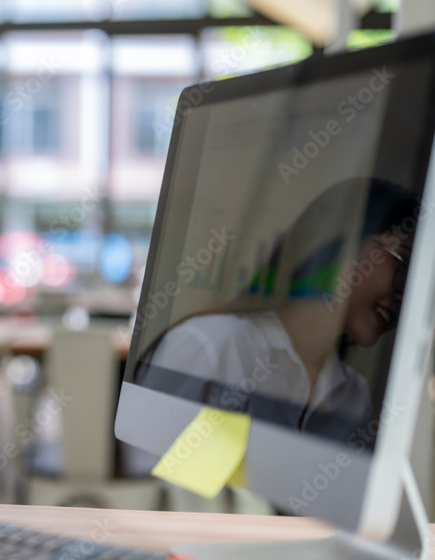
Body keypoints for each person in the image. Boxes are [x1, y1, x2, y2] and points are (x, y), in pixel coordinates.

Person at [137, 177, 418, 443]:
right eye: (403, 262)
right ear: (343, 243)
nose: (406, 294)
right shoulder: (211, 347)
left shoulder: (354, 398)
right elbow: (144, 482)